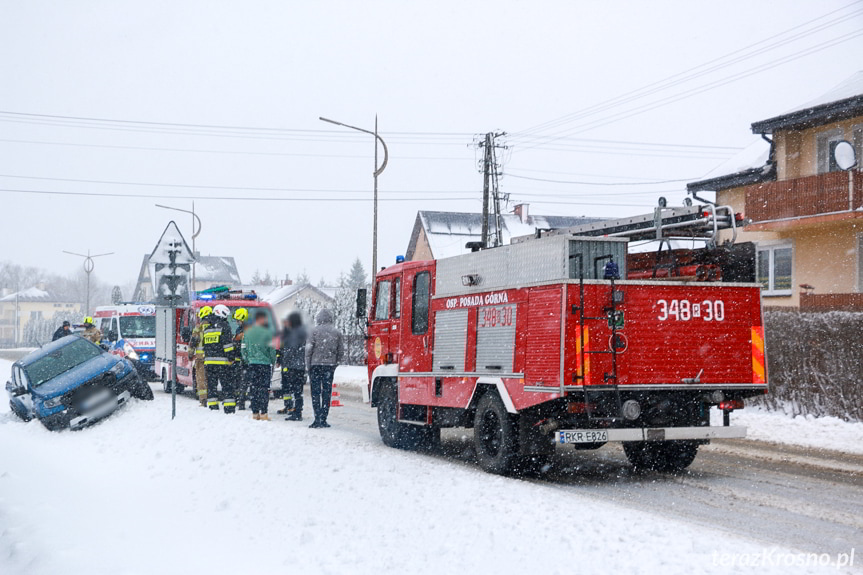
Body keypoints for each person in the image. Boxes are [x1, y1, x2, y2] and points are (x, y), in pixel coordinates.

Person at [305, 308, 344, 428]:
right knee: (327, 392)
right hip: (329, 366)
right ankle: (324, 418)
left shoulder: (313, 331)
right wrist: (335, 363)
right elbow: (341, 351)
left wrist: (308, 365)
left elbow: (308, 350)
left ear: (318, 319)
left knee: (315, 392)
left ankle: (317, 418)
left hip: (315, 365)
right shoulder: (337, 333)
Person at [242, 310, 277, 420]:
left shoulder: (247, 333)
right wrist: (272, 361)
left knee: (254, 388)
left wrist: (248, 360)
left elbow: (243, 350)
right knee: (264, 389)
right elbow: (272, 350)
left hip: (252, 365)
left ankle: (255, 413)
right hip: (265, 365)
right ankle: (264, 413)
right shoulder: (268, 333)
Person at [202, 304, 237, 413]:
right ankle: (229, 408)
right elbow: (227, 346)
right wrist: (231, 358)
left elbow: (204, 346)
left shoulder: (207, 329)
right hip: (222, 363)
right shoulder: (225, 327)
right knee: (226, 385)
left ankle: (213, 407)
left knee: (212, 386)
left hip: (209, 363)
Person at [279, 311, 307, 421]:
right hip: (300, 366)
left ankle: (296, 412)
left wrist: (284, 360)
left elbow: (290, 350)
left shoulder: (294, 333)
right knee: (298, 391)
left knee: (294, 389)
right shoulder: (302, 331)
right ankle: (297, 410)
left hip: (293, 366)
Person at [188, 306, 213, 407]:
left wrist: (190, 354)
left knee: (201, 379)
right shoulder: (214, 327)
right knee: (212, 379)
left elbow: (193, 342)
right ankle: (212, 397)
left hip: (200, 358)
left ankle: (203, 400)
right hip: (212, 358)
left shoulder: (198, 328)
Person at [232, 308, 249, 410]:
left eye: (238, 320)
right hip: (240, 359)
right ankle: (238, 400)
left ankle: (241, 402)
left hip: (245, 360)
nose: (237, 322)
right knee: (238, 382)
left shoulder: (247, 329)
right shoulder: (240, 329)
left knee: (244, 382)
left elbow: (242, 343)